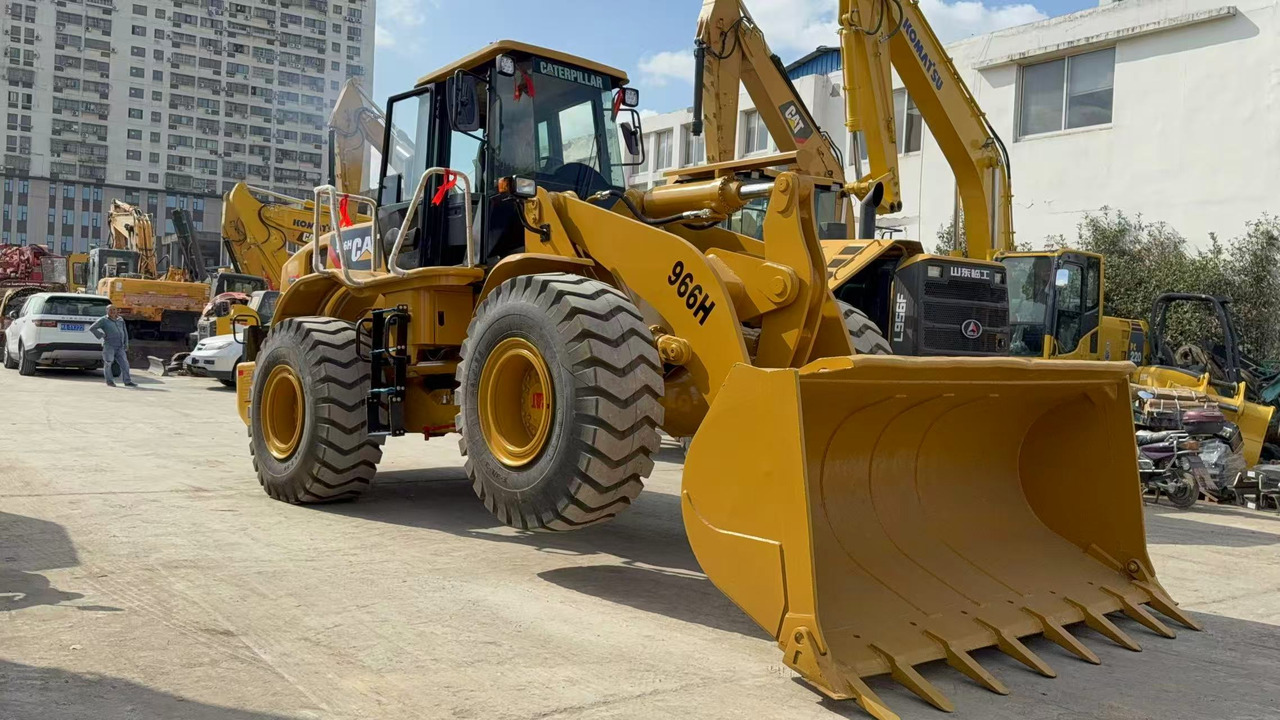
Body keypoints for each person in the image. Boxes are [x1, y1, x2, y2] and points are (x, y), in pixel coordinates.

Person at [89, 305, 136, 387]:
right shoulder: (103, 320)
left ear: (117, 310)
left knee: (125, 364)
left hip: (120, 346)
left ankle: (127, 381)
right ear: (106, 311)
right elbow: (92, 328)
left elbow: (125, 332)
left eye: (114, 309)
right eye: (110, 310)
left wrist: (126, 343)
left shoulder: (120, 319)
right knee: (108, 363)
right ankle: (110, 381)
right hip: (109, 346)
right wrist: (101, 335)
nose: (112, 311)